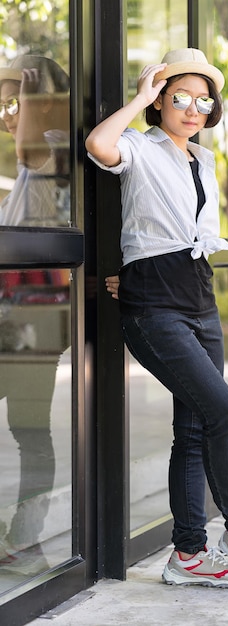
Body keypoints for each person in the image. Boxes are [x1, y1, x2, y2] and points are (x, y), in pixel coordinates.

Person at [86, 48, 228, 588]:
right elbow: (98, 146)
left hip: (199, 301)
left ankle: (186, 556)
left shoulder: (202, 160)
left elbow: (186, 235)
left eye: (203, 100)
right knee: (224, 412)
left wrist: (142, 268)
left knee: (193, 430)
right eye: (179, 97)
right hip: (154, 307)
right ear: (159, 101)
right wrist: (138, 99)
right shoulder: (139, 146)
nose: (192, 108)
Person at [0, 54, 70, 574]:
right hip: (19, 314)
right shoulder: (33, 167)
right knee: (31, 430)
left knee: (29, 430)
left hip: (33, 318)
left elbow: (27, 143)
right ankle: (23, 541)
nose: (6, 113)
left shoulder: (50, 152)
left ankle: (24, 543)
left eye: (13, 101)